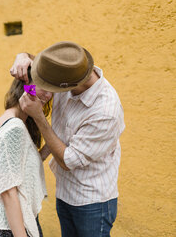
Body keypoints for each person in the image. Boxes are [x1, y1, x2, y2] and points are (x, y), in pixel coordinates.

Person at [9, 41, 125, 237]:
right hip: (65, 194)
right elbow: (38, 79)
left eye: (48, 88)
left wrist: (37, 116)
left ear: (69, 85)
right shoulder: (65, 71)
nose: (45, 93)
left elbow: (67, 161)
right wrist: (23, 56)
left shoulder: (106, 111)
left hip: (92, 203)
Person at [0, 69, 53, 237]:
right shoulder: (15, 127)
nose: (48, 95)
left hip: (14, 224)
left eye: (51, 90)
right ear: (27, 87)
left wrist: (54, 141)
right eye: (43, 87)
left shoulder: (13, 120)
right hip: (13, 229)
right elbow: (8, 191)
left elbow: (22, 166)